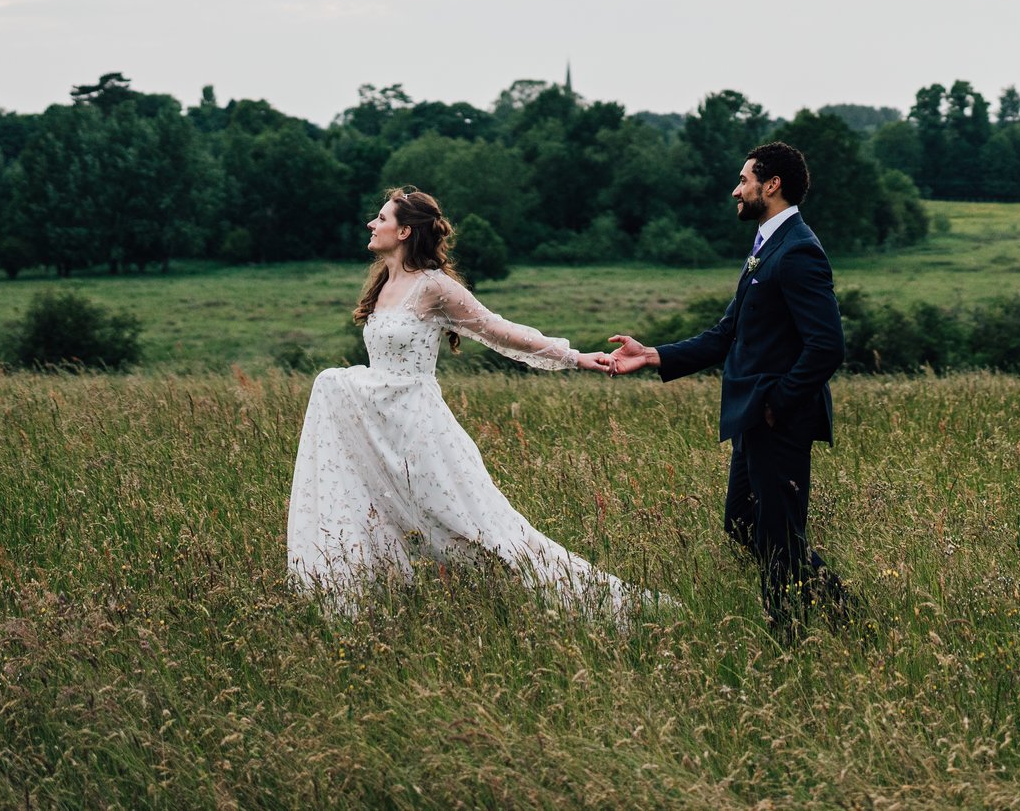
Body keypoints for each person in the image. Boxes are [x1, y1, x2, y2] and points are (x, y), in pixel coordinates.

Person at [286, 186, 660, 620]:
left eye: (382, 218)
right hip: (379, 422)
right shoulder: (384, 282)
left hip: (418, 425)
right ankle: (371, 601)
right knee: (374, 497)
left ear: (405, 231)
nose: (372, 223)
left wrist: (574, 356)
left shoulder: (434, 287)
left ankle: (590, 601)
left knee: (478, 525)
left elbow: (498, 330)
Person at [604, 141, 849, 629]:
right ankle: (842, 613)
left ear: (771, 185)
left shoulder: (798, 250)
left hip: (778, 419)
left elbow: (827, 346)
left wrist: (778, 402)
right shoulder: (767, 245)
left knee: (779, 539)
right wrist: (653, 355)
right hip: (753, 419)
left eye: (744, 180)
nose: (736, 190)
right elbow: (727, 334)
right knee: (743, 524)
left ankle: (796, 635)